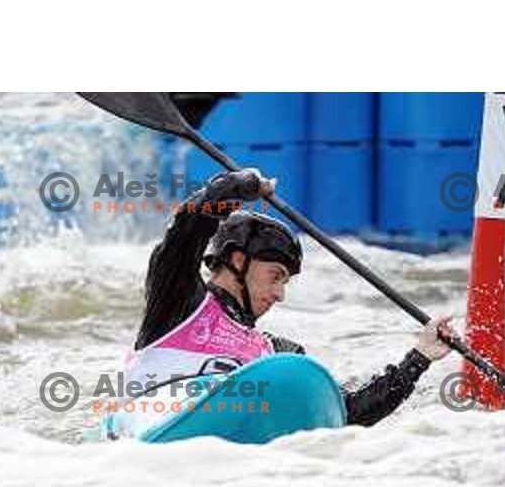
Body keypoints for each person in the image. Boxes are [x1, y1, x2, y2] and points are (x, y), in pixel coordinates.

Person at [132, 168, 453, 427]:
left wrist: (419, 357)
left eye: (286, 282)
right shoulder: (179, 304)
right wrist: (235, 187)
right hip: (149, 431)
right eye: (275, 276)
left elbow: (348, 413)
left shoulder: (277, 355)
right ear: (238, 260)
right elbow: (187, 228)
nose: (280, 295)